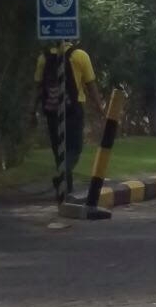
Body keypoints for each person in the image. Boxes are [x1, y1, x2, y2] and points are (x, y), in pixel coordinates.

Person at [35, 40, 104, 197]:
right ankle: (63, 177)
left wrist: (32, 112)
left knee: (59, 150)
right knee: (75, 148)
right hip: (73, 109)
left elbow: (38, 88)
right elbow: (91, 85)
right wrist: (100, 108)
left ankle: (66, 187)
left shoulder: (43, 58)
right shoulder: (79, 55)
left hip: (52, 110)